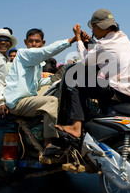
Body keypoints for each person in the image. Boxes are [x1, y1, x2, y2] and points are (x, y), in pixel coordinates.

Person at [55, 9, 130, 139]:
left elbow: (84, 61)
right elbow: (98, 53)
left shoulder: (104, 45)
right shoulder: (122, 37)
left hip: (122, 92)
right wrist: (88, 42)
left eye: (94, 28)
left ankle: (76, 127)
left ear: (99, 26)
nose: (93, 31)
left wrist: (78, 39)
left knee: (76, 83)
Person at [4, 28, 77, 159]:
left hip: (28, 99)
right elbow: (46, 52)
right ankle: (48, 143)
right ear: (25, 42)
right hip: (18, 102)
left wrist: (56, 78)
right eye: (31, 41)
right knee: (51, 101)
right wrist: (71, 40)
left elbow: (37, 83)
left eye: (37, 41)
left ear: (42, 42)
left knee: (58, 92)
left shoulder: (37, 64)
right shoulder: (23, 54)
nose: (34, 44)